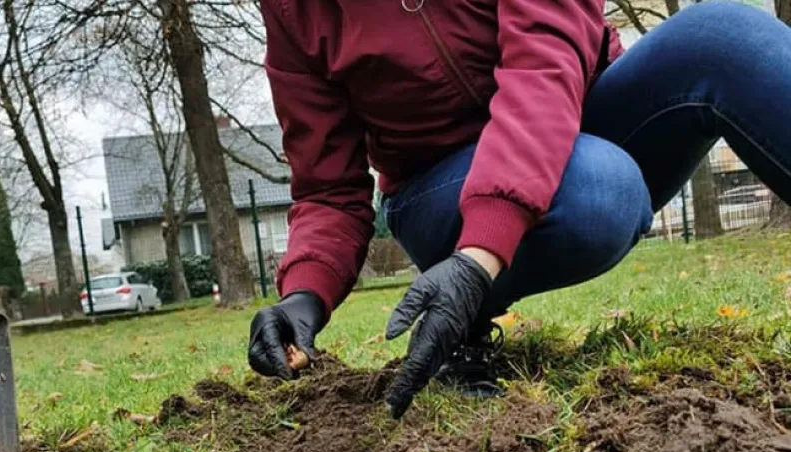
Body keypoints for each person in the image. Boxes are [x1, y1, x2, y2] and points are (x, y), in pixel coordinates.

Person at [246, 0, 791, 419]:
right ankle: (465, 310)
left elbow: (545, 60)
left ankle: (479, 271)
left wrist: (484, 251)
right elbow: (327, 188)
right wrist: (304, 297)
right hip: (442, 192)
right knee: (599, 189)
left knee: (720, 36)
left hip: (575, 108)